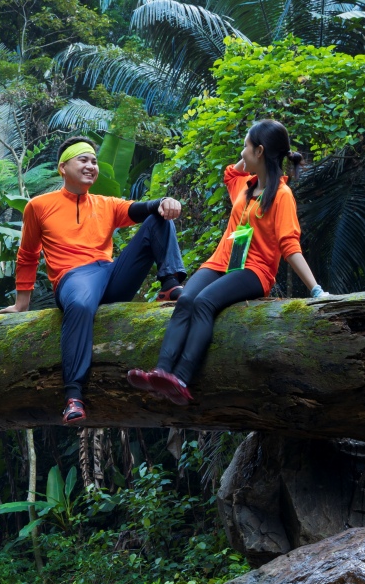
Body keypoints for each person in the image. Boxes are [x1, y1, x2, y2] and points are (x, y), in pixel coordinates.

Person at [127, 119, 326, 408]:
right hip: (222, 262)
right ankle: (162, 372)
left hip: (254, 271)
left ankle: (181, 379)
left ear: (260, 150)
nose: (241, 152)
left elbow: (290, 246)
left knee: (205, 303)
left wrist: (316, 289)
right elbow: (231, 172)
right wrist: (251, 158)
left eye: (246, 146)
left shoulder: (281, 196)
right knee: (185, 300)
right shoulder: (245, 186)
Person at [12, 139, 187, 426]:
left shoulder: (106, 204)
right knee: (80, 304)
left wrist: (165, 203)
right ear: (62, 167)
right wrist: (22, 304)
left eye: (93, 161)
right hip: (73, 278)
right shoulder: (38, 206)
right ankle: (73, 396)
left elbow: (141, 208)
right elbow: (28, 254)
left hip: (110, 275)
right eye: (83, 160)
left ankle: (169, 284)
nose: (91, 166)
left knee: (159, 218)